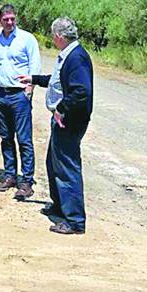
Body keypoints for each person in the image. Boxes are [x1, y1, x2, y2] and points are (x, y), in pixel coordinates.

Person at [17, 17, 93, 235]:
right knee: (54, 163)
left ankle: (75, 221)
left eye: (53, 35)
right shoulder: (70, 54)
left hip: (69, 121)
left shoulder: (76, 58)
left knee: (67, 168)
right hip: (64, 120)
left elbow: (80, 91)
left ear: (59, 36)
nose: (52, 39)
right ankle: (61, 206)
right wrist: (34, 78)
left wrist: (61, 108)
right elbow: (58, 81)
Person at [0, 4, 42, 200]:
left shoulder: (27, 39)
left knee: (24, 140)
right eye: (5, 19)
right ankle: (10, 175)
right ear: (0, 19)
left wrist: (28, 91)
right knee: (6, 138)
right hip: (0, 95)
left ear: (15, 18)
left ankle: (26, 181)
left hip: (20, 96)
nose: (9, 22)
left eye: (12, 18)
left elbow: (35, 66)